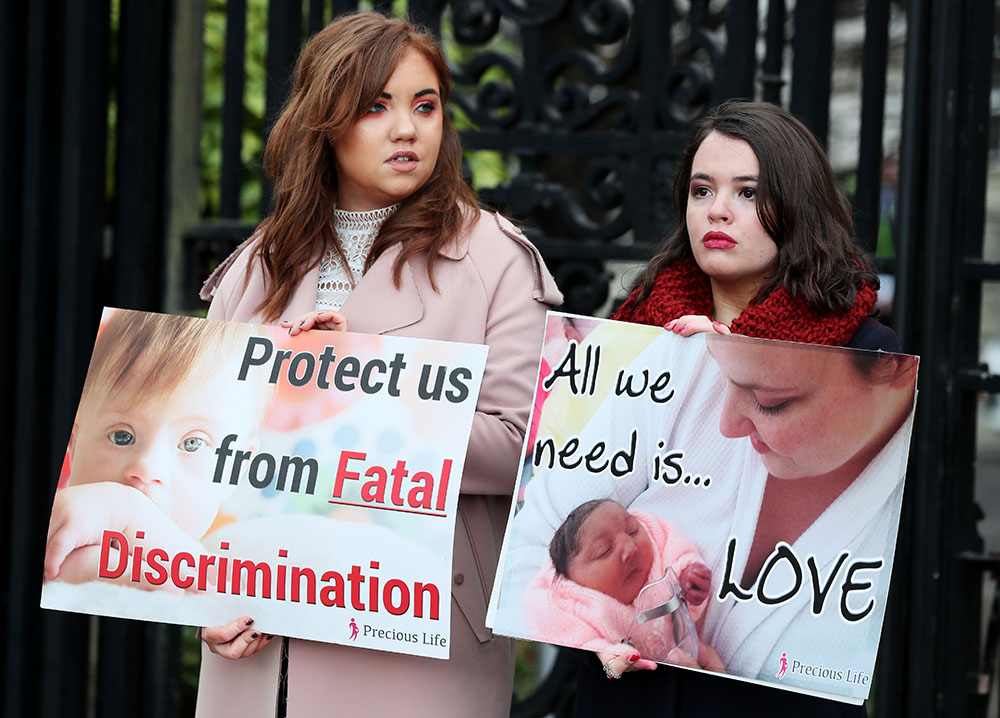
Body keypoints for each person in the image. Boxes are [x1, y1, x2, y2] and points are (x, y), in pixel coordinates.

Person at [195, 12, 561, 718]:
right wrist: (201, 597)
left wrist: (361, 394)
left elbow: (526, 446)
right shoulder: (256, 265)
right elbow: (205, 452)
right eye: (376, 107)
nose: (407, 129)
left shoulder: (494, 259)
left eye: (426, 106)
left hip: (411, 633)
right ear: (325, 121)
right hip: (258, 636)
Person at [518, 100, 907, 717]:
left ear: (797, 204)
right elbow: (556, 515)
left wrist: (736, 360)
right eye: (702, 189)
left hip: (772, 695)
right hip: (630, 687)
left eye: (749, 193)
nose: (718, 210)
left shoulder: (863, 355)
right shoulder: (634, 335)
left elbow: (869, 547)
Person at [44, 310, 266, 589]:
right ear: (73, 445)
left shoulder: (236, 569)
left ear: (237, 468)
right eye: (122, 436)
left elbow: (206, 591)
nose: (147, 468)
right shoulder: (56, 515)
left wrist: (126, 513)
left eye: (192, 443)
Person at [525, 498, 713, 661]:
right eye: (605, 550)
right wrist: (612, 656)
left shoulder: (654, 536)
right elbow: (579, 642)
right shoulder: (570, 607)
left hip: (686, 652)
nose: (630, 547)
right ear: (571, 580)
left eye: (632, 531)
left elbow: (674, 547)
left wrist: (689, 577)